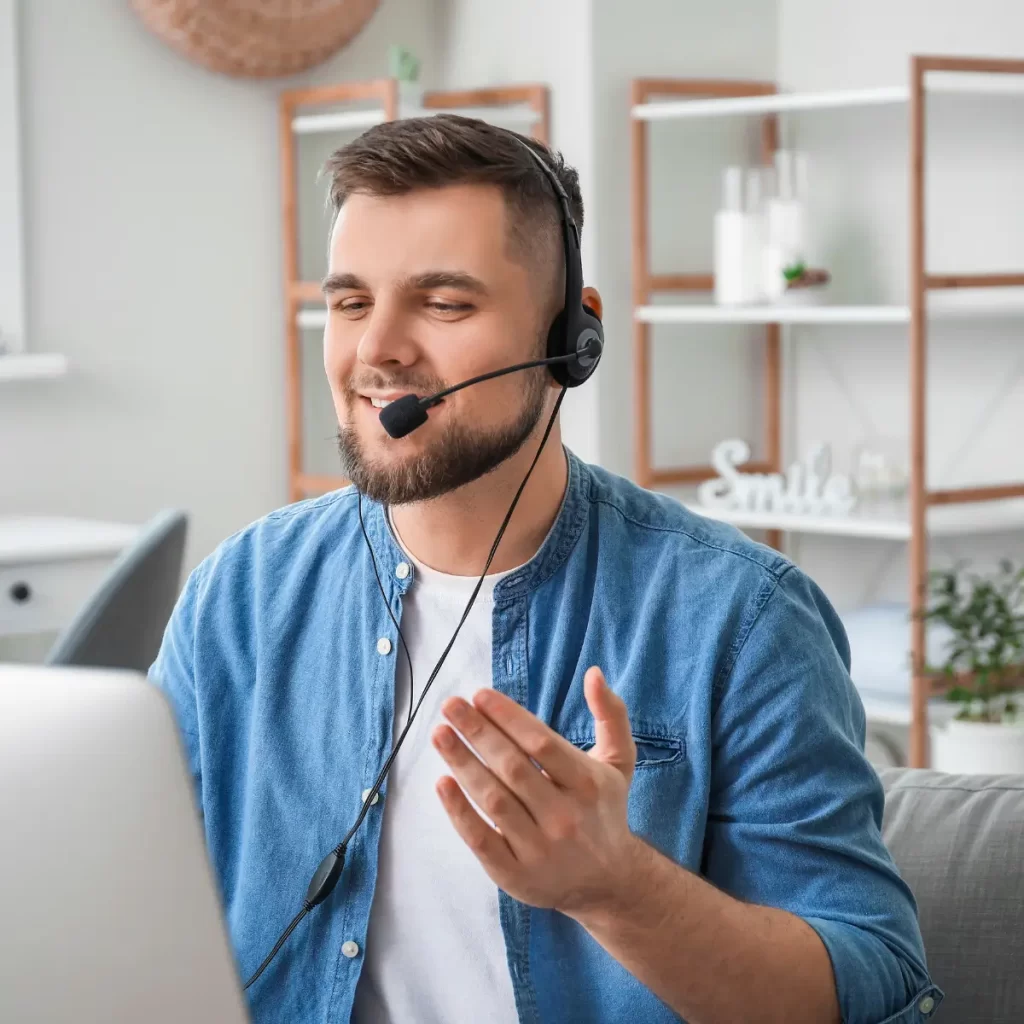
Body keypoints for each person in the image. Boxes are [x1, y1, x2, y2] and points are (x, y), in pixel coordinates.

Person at [150, 114, 942, 1024]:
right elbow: (129, 902)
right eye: (350, 302)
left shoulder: (740, 619)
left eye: (444, 304)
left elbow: (877, 984)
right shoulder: (240, 598)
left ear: (573, 340)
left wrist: (618, 889)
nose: (376, 351)